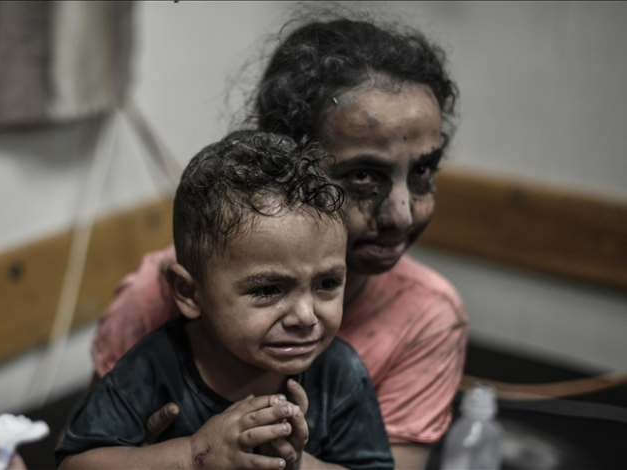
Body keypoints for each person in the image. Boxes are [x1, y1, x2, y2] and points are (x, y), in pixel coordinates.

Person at [91, 12, 467, 470]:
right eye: (363, 176)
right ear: (285, 164)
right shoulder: (155, 296)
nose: (402, 214)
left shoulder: (426, 319)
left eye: (423, 170)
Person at [57, 132, 394, 470]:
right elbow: (73, 464)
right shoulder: (154, 367)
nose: (306, 316)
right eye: (268, 290)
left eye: (327, 283)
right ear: (189, 293)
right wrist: (193, 456)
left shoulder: (339, 373)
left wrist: (298, 463)